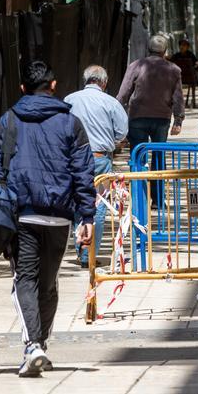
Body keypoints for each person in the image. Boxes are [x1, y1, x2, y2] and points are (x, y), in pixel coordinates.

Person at [0, 60, 95, 378]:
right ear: (54, 86)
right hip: (60, 217)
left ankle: (33, 345)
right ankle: (39, 344)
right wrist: (87, 215)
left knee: (25, 280)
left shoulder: (7, 122)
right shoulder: (71, 123)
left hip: (22, 214)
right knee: (48, 283)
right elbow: (83, 172)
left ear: (22, 89)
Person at [63, 65, 128, 269]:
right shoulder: (111, 102)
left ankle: (81, 248)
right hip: (100, 159)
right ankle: (89, 254)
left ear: (85, 79)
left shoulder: (69, 100)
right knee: (98, 206)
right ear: (104, 82)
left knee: (77, 203)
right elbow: (122, 132)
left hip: (74, 159)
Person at [116, 35, 183, 206]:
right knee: (159, 158)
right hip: (162, 119)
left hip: (138, 117)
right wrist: (178, 120)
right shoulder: (174, 69)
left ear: (148, 49)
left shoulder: (136, 66)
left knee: (137, 157)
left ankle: (139, 199)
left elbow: (124, 93)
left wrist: (115, 116)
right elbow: (178, 96)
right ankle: (158, 201)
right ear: (165, 51)